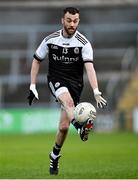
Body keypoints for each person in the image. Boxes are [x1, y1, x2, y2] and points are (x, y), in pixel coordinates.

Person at [27, 7, 107, 175]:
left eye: (75, 21)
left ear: (78, 21)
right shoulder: (50, 40)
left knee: (63, 127)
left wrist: (96, 90)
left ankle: (54, 155)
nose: (72, 24)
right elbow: (36, 60)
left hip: (75, 84)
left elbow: (90, 68)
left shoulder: (83, 43)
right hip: (56, 80)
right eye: (69, 20)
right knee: (68, 102)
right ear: (62, 20)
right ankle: (80, 128)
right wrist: (32, 86)